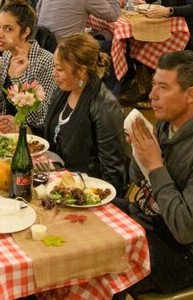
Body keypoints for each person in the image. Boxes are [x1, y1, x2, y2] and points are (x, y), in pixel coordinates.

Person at [121, 51, 193, 296]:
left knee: (101, 263)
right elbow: (138, 179)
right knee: (92, 217)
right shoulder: (169, 121)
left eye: (163, 87)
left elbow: (186, 229)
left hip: (185, 256)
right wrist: (140, 151)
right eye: (154, 84)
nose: (152, 95)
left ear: (190, 94)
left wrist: (155, 167)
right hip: (151, 222)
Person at [35, 33, 132, 187]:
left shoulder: (104, 106)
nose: (54, 73)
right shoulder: (64, 89)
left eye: (59, 69)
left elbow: (113, 172)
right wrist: (24, 128)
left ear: (80, 71)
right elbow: (54, 132)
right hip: (58, 177)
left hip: (85, 186)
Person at [0, 0, 58, 117]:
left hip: (29, 134)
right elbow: (7, 104)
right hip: (6, 128)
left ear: (25, 32)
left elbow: (39, 117)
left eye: (8, 29)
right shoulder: (7, 55)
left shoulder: (46, 62)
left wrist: (17, 77)